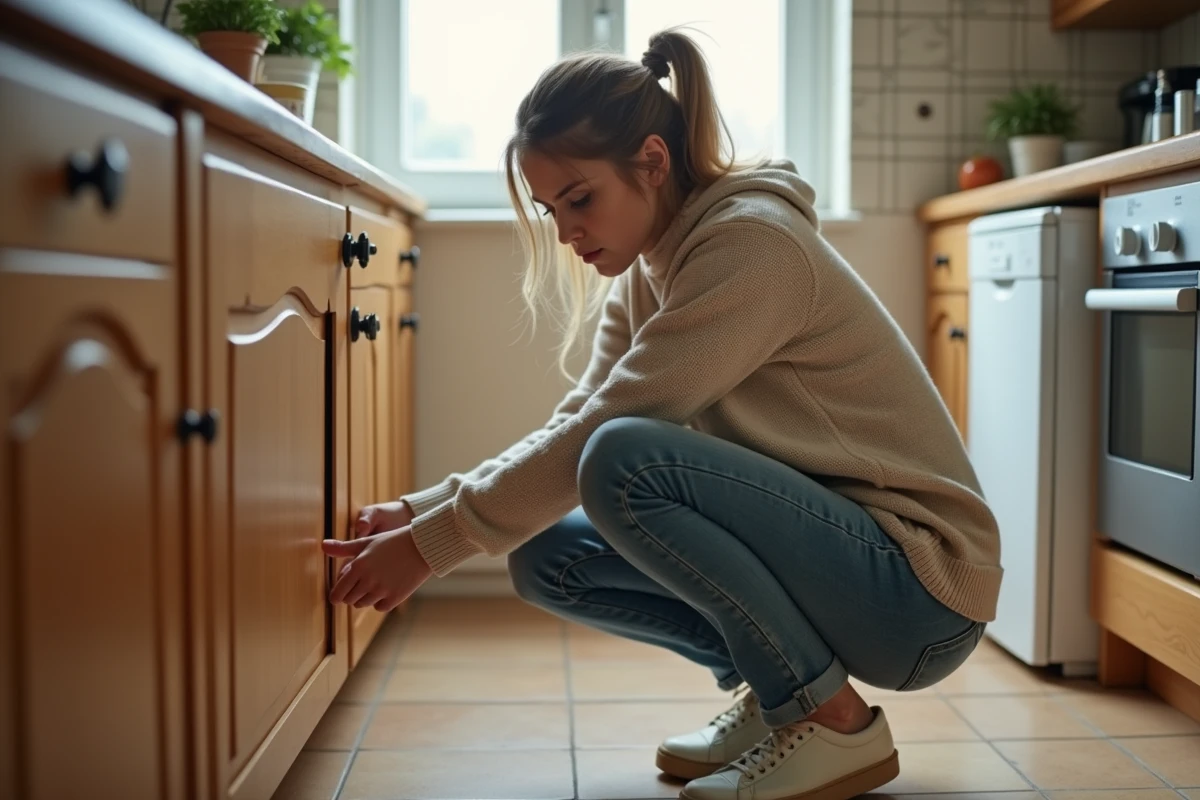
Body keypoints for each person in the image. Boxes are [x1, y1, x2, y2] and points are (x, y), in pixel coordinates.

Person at [321, 27, 1002, 800]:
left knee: (621, 459)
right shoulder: (649, 269)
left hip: (917, 589)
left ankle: (830, 722)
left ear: (651, 162)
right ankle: (775, 695)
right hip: (847, 566)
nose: (568, 231)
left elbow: (603, 434)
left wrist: (432, 546)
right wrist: (426, 509)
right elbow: (576, 415)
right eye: (552, 210)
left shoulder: (751, 246)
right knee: (547, 555)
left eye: (580, 199)